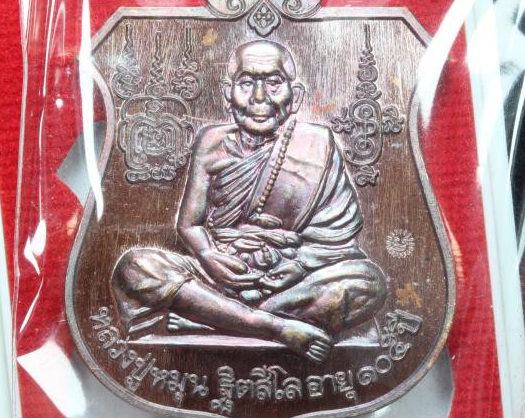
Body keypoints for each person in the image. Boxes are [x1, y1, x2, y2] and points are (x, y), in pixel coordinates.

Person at [111, 40, 386, 363]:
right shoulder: (211, 142)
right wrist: (208, 255)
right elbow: (189, 224)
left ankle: (213, 318)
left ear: (295, 96)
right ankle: (270, 325)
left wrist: (296, 265)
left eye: (273, 83)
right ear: (228, 93)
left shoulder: (317, 144)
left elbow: (337, 232)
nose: (259, 98)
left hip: (291, 277)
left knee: (368, 282)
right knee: (135, 267)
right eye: (246, 83)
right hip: (219, 273)